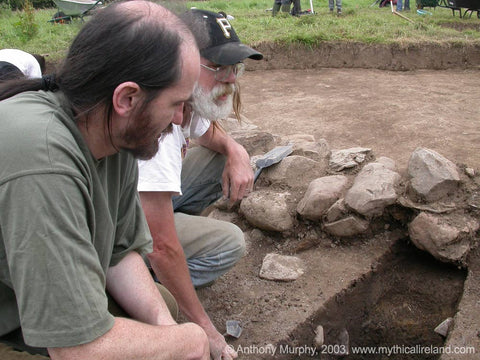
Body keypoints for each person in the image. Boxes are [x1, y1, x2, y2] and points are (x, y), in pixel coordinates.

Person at [0, 1, 210, 359]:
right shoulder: (43, 156)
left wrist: (168, 330)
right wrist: (191, 342)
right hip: (12, 323)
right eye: (176, 103)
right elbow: (77, 349)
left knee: (163, 308)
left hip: (27, 303)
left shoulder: (114, 134)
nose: (179, 119)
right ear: (127, 97)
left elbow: (119, 251)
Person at [137, 8, 263, 360]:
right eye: (218, 67)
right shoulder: (158, 130)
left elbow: (207, 133)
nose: (231, 79)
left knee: (218, 157)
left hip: (141, 207)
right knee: (229, 243)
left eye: (234, 67)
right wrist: (206, 330)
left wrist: (235, 149)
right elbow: (162, 246)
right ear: (183, 63)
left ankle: (169, 236)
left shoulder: (182, 102)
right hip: (127, 229)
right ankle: (149, 282)